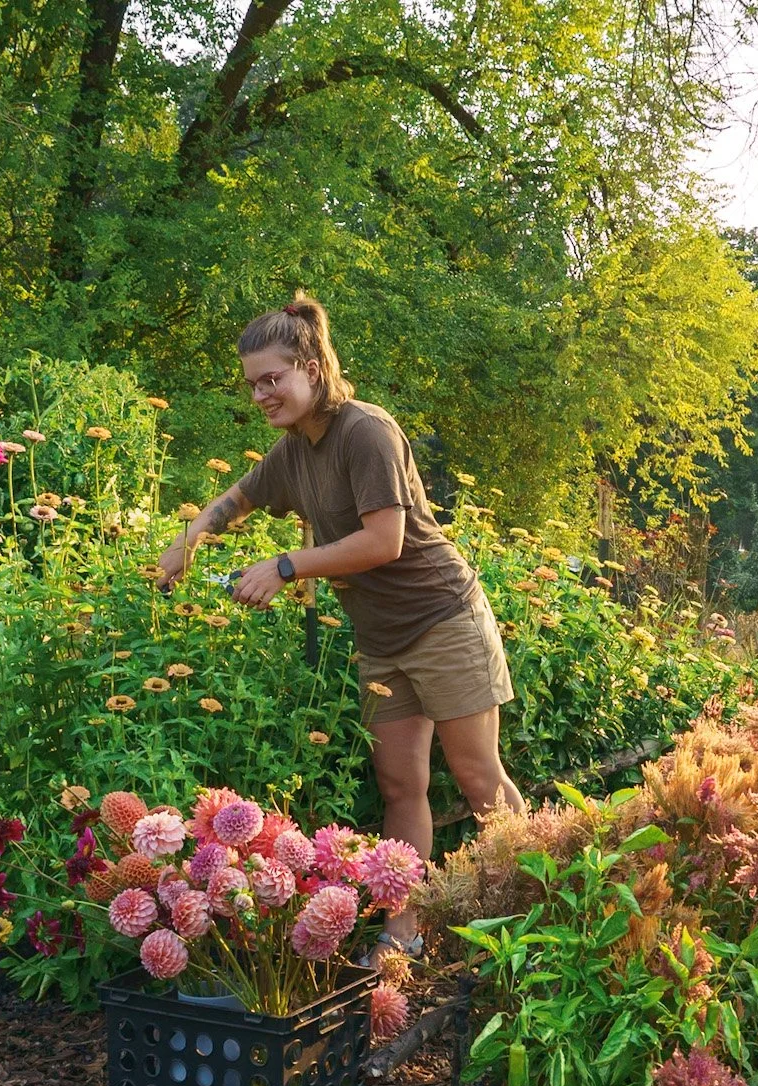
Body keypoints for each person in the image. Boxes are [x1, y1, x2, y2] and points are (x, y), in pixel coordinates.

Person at [157, 291, 525, 958]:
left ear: (312, 369)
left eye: (272, 379)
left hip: (443, 618)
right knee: (400, 787)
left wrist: (287, 566)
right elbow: (237, 498)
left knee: (479, 780)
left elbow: (385, 540)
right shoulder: (294, 451)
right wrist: (187, 542)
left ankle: (538, 917)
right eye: (252, 385)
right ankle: (403, 933)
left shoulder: (365, 432)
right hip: (382, 639)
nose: (261, 395)